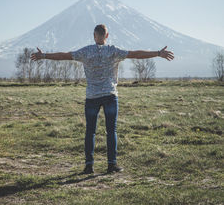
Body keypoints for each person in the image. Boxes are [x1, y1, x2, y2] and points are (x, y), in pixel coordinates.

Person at [30, 24, 174, 174]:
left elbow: (64, 56)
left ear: (94, 35)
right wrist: (158, 53)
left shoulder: (85, 51)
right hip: (110, 95)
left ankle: (89, 166)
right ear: (106, 36)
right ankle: (111, 165)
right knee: (111, 131)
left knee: (90, 132)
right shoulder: (113, 51)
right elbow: (135, 54)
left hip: (92, 96)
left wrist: (44, 56)